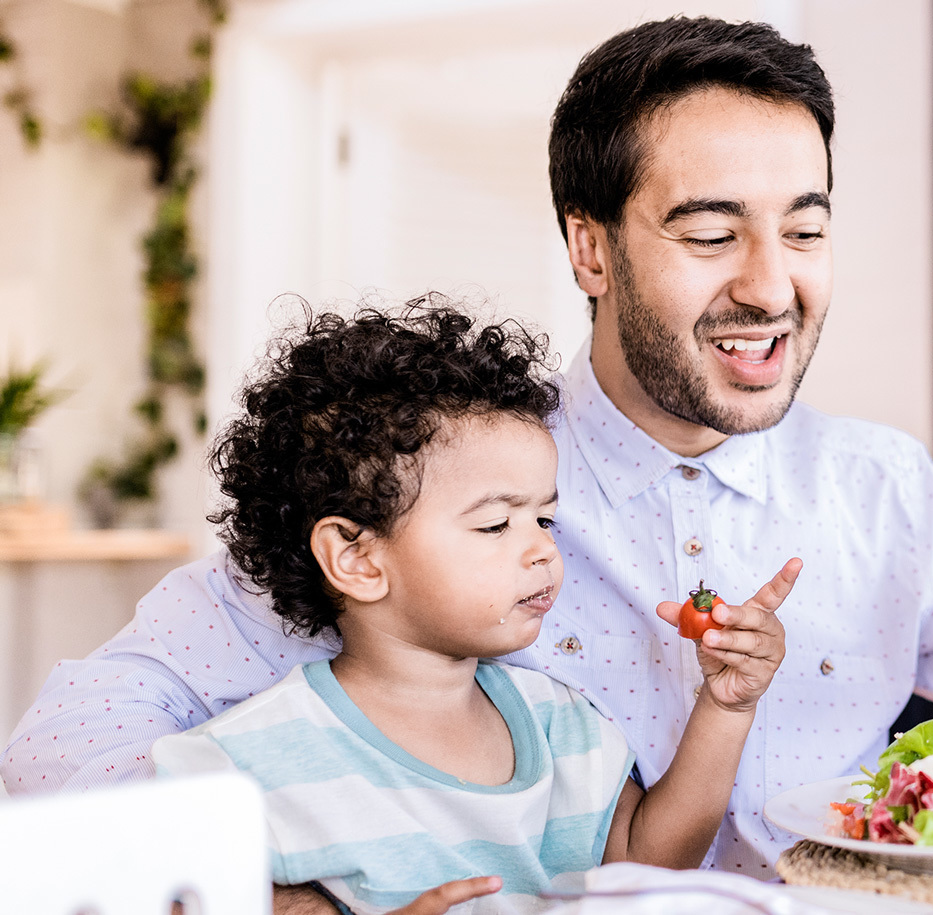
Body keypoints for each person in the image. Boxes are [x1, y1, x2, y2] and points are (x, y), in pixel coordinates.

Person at [4, 14, 933, 882]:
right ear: (591, 251)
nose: (771, 287)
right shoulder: (432, 488)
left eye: (806, 229)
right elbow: (66, 746)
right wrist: (287, 900)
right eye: (712, 233)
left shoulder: (886, 493)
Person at [150, 306, 796, 913]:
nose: (543, 549)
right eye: (495, 524)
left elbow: (651, 864)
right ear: (357, 559)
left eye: (543, 517)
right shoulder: (242, 764)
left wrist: (726, 705)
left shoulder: (560, 723)